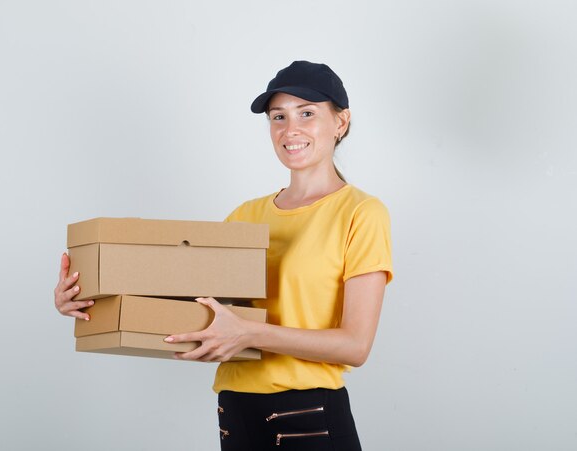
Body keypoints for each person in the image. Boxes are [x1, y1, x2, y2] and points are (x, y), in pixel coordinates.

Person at [54, 60, 393, 450]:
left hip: (308, 415)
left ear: (341, 122)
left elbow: (355, 345)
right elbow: (193, 303)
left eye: (307, 113)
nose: (290, 129)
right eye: (277, 116)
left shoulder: (360, 213)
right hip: (235, 412)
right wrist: (90, 297)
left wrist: (250, 333)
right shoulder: (245, 216)